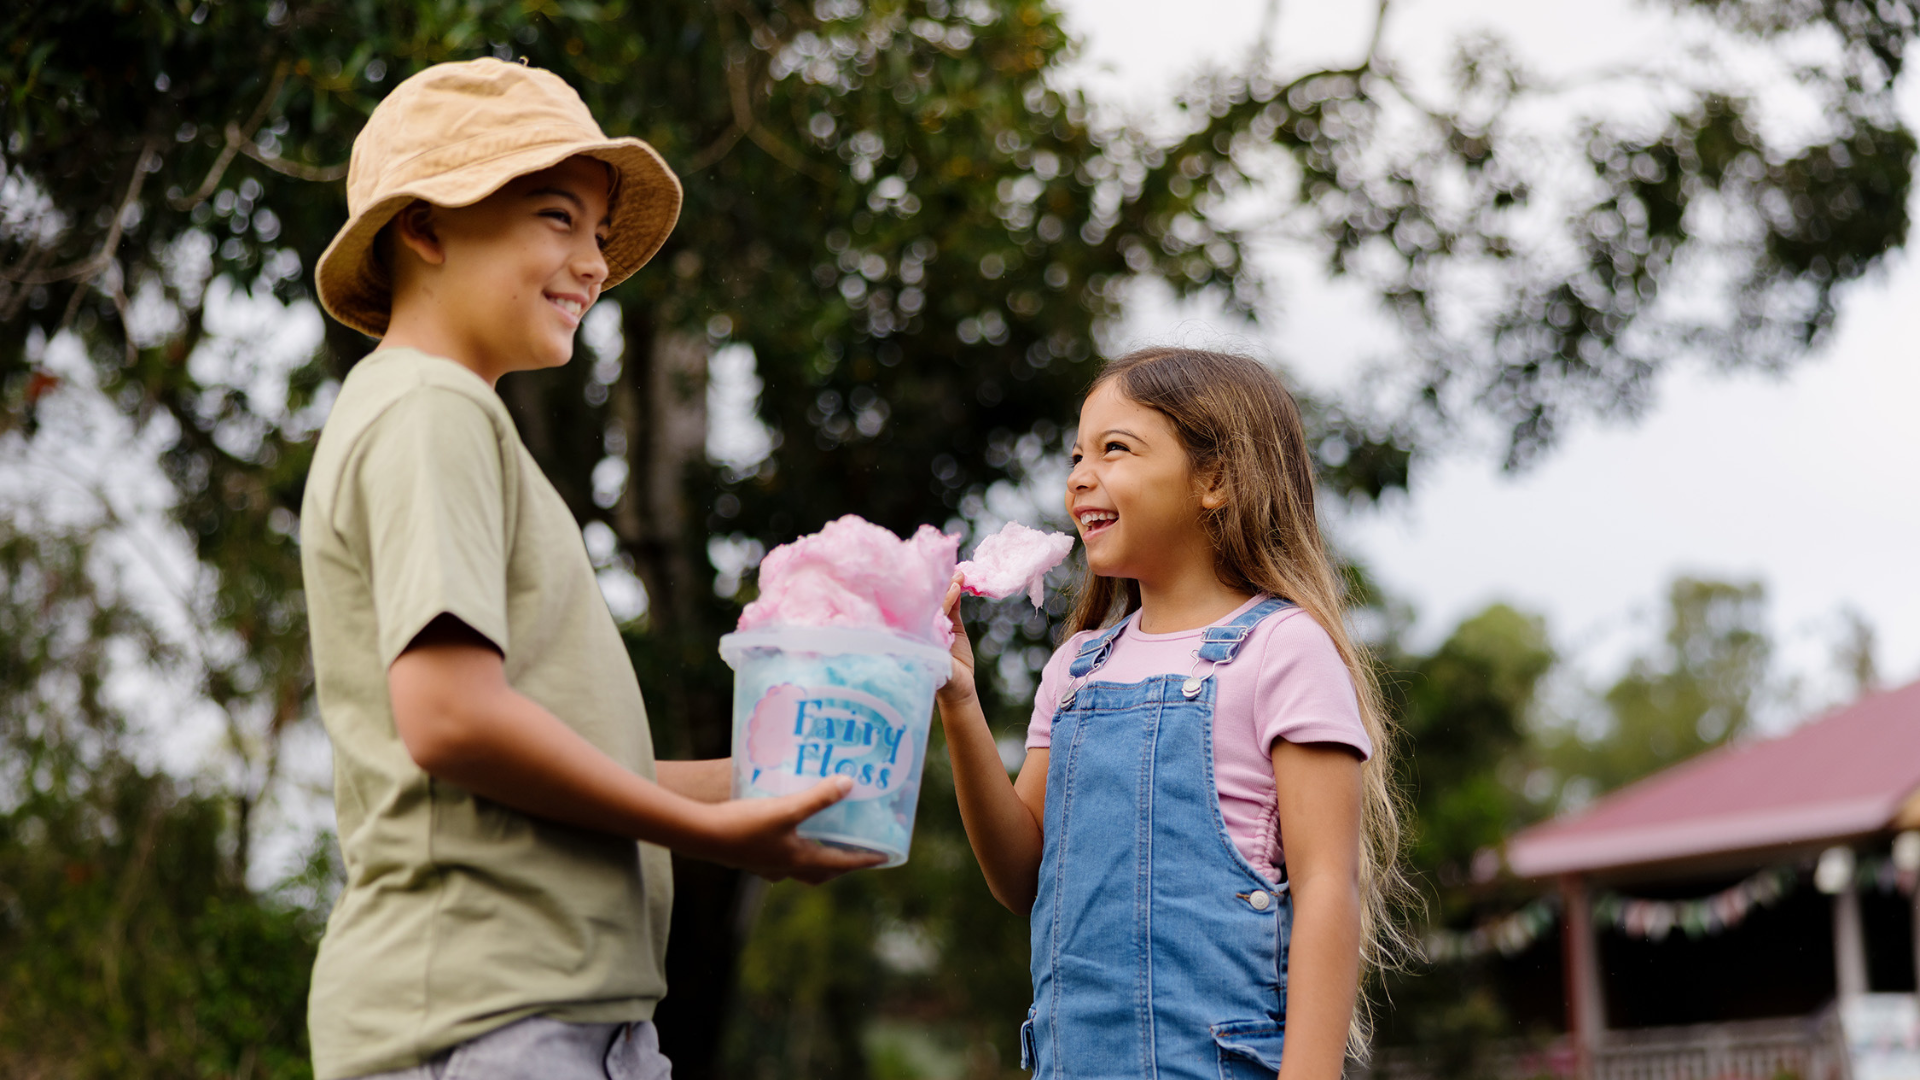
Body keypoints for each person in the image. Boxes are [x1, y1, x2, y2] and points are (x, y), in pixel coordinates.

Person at [301, 58, 878, 1080]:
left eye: (599, 235)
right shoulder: (430, 409)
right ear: (426, 228)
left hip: (549, 1011)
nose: (594, 261)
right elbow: (453, 721)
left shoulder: (446, 417)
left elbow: (546, 764)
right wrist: (722, 837)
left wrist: (769, 785)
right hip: (481, 1012)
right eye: (557, 218)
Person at [935, 347, 1409, 1079]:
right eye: (1076, 455)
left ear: (1214, 479)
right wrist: (960, 701)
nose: (1079, 477)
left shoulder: (1281, 648)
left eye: (1114, 449)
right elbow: (1020, 877)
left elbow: (1326, 888)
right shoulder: (1074, 669)